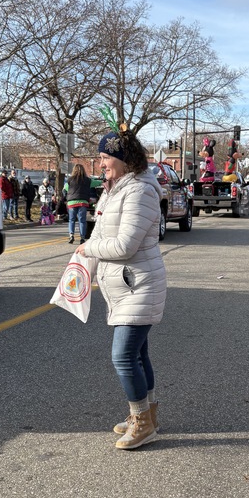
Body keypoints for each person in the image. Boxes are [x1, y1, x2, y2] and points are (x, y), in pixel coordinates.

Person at [76, 127, 166, 450]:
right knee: (138, 354)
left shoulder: (139, 191)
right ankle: (148, 415)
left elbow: (126, 245)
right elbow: (102, 231)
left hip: (139, 285)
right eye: (100, 158)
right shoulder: (117, 189)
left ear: (123, 159)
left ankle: (141, 421)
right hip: (129, 286)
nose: (101, 164)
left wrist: (89, 249)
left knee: (123, 356)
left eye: (105, 158)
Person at [64, 163, 92, 244]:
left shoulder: (70, 180)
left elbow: (65, 188)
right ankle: (82, 237)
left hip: (72, 202)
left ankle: (71, 235)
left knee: (71, 220)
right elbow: (97, 183)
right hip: (83, 202)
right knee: (82, 221)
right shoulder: (88, 180)